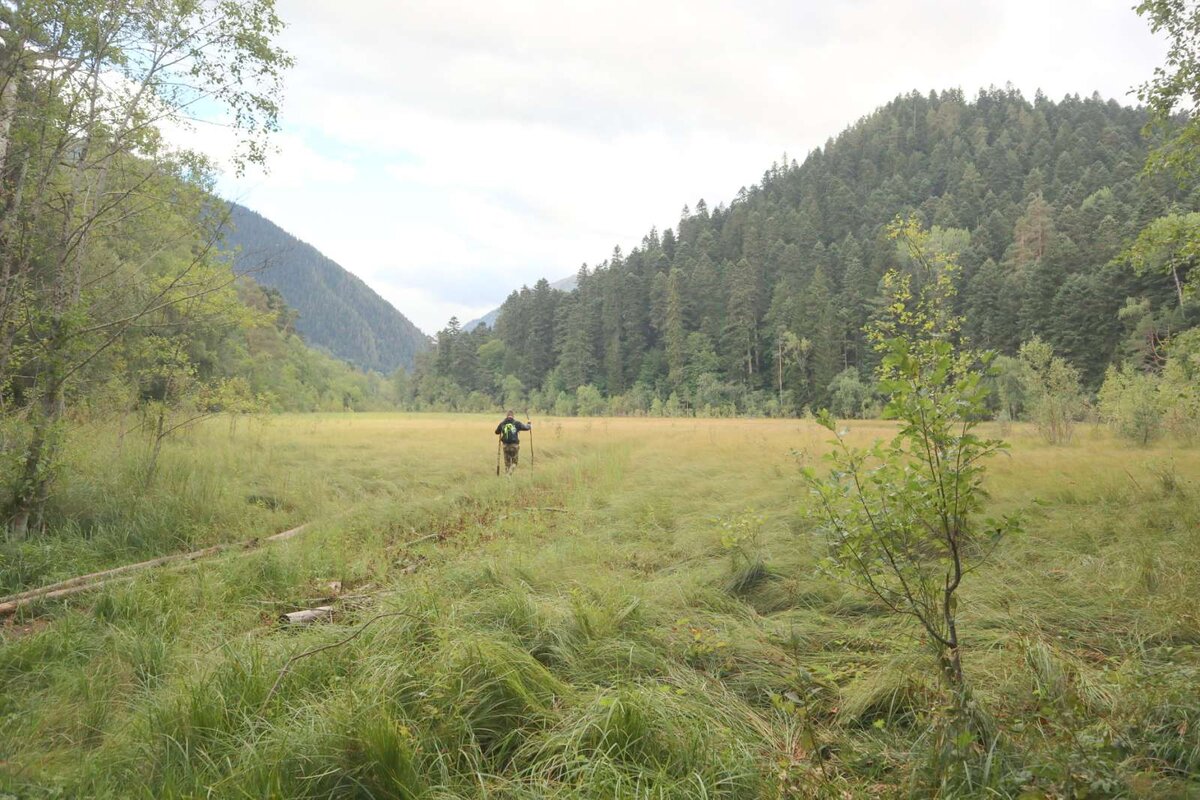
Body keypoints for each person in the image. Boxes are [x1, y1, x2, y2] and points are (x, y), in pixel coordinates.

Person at [494, 410, 531, 475]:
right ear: (513, 416)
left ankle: (507, 476)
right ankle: (509, 473)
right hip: (514, 446)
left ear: (506, 415)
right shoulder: (517, 423)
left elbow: (496, 432)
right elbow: (526, 428)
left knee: (507, 463)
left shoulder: (502, 423)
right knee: (514, 463)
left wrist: (501, 429)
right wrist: (529, 424)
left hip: (505, 446)